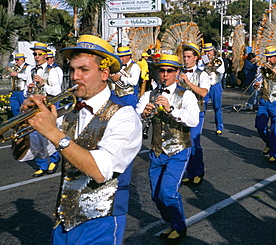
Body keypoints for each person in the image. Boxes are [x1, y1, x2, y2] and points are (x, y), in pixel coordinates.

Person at [14, 34, 142, 244]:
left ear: (104, 73)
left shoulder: (124, 115)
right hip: (64, 219)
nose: (75, 76)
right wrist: (22, 122)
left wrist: (54, 133)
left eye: (84, 70)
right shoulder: (67, 112)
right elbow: (27, 153)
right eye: (72, 70)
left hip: (102, 220)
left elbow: (100, 172)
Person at [136, 54, 199, 244]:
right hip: (156, 151)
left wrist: (171, 109)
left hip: (178, 150)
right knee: (156, 195)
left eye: (169, 71)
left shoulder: (186, 94)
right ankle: (171, 221)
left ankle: (179, 227)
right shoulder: (149, 95)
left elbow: (194, 120)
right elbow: (135, 119)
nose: (165, 75)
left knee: (168, 192)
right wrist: (143, 115)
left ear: (177, 73)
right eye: (161, 70)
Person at [25, 42, 63, 177]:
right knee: (35, 137)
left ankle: (54, 158)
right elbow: (26, 93)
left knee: (49, 134)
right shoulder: (31, 71)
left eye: (39, 54)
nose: (36, 56)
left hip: (49, 106)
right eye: (34, 54)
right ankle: (42, 165)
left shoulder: (52, 71)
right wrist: (29, 90)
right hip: (35, 106)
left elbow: (57, 91)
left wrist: (43, 84)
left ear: (45, 55)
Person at [178, 43, 210, 186]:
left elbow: (203, 92)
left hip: (197, 112)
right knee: (184, 143)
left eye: (189, 57)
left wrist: (188, 82)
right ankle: (190, 173)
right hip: (181, 111)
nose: (185, 60)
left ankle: (198, 172)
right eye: (184, 57)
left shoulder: (202, 74)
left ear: (196, 58)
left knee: (194, 143)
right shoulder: (179, 72)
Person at [254, 46, 276, 163]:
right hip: (264, 99)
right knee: (260, 126)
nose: (268, 60)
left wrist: (274, 70)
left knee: (275, 128)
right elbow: (257, 81)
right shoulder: (262, 68)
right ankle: (269, 143)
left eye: (271, 57)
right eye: (267, 57)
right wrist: (257, 85)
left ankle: (274, 152)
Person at [199, 43, 225, 135]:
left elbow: (221, 71)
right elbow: (199, 70)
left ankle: (219, 127)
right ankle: (199, 126)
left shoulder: (219, 59)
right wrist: (206, 65)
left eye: (209, 51)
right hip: (205, 86)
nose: (208, 53)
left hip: (215, 85)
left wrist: (213, 66)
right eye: (206, 51)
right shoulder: (202, 60)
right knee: (202, 106)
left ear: (213, 51)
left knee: (217, 107)